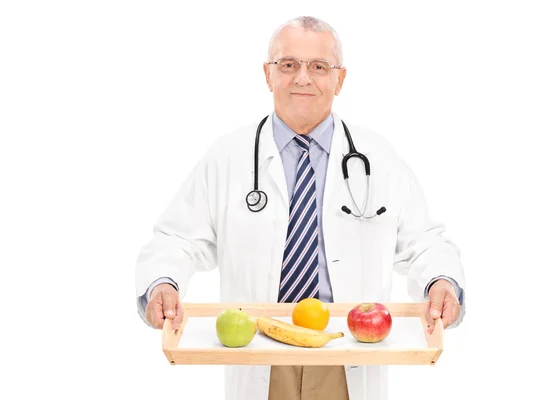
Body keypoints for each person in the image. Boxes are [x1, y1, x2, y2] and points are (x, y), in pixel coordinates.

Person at [135, 15, 466, 400]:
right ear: (268, 74)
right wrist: (162, 282)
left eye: (319, 67)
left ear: (340, 79)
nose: (302, 78)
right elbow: (175, 239)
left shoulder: (380, 159)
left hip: (346, 354)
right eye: (288, 64)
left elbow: (425, 242)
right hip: (258, 351)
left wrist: (442, 280)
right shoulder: (227, 158)